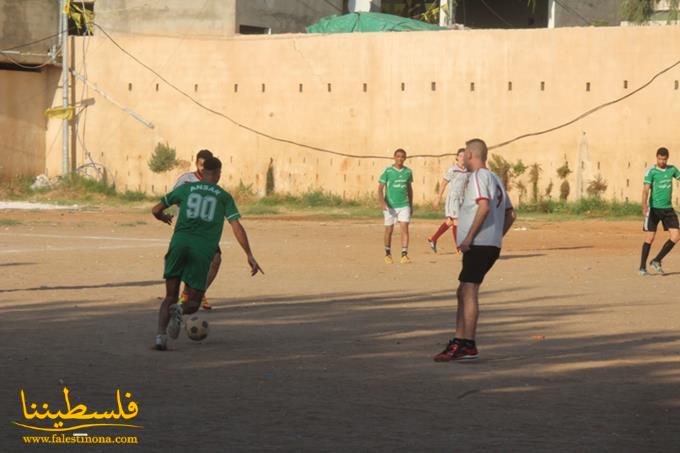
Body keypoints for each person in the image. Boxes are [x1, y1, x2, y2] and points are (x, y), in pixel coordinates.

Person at [152, 157, 263, 351]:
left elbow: (156, 209)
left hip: (178, 245)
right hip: (202, 251)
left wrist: (162, 217)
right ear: (218, 173)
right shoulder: (223, 196)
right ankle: (179, 310)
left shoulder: (186, 189)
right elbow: (236, 225)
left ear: (202, 172)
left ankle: (160, 337)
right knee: (194, 302)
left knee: (170, 295)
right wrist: (249, 254)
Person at [433, 139, 515, 362]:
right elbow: (511, 214)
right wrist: (497, 237)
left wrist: (470, 236)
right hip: (487, 244)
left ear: (470, 154)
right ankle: (459, 340)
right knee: (463, 290)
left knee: (468, 291)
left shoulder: (479, 176)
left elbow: (484, 205)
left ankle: (468, 344)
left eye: (465, 153)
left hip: (479, 245)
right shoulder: (495, 178)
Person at [173, 149, 220, 309]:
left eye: (205, 166)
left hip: (205, 231)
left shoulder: (212, 184)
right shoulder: (186, 180)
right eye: (200, 165)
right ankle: (185, 297)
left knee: (215, 261)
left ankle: (198, 294)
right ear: (196, 163)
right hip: (187, 229)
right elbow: (174, 198)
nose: (202, 168)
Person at [639, 147, 680, 275]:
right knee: (650, 238)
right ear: (656, 157)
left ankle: (657, 260)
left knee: (676, 236)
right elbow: (646, 190)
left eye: (664, 159)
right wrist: (644, 205)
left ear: (667, 158)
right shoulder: (651, 171)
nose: (662, 161)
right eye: (660, 158)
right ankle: (642, 268)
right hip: (654, 209)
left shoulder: (672, 169)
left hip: (668, 209)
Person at [428, 148, 468, 253]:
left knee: (450, 221)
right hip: (453, 199)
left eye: (464, 156)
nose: (462, 158)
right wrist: (438, 197)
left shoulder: (467, 171)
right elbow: (444, 183)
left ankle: (433, 239)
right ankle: (459, 247)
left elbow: (467, 185)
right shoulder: (452, 170)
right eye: (460, 155)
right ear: (457, 157)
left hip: (461, 199)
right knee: (457, 221)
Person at [378, 149, 413, 264]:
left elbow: (409, 189)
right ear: (394, 157)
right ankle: (387, 254)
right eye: (398, 156)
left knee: (404, 228)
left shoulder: (408, 172)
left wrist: (411, 204)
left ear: (405, 158)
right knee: (389, 229)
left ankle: (404, 254)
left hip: (404, 205)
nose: (400, 159)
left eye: (402, 157)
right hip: (390, 206)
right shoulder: (388, 171)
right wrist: (382, 202)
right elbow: (380, 188)